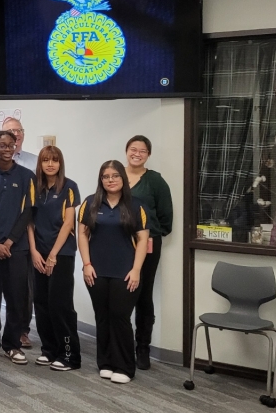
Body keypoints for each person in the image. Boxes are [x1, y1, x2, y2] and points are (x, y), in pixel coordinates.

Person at [78, 160, 150, 384]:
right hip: (96, 271)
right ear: (101, 180)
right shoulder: (90, 203)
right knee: (102, 317)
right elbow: (82, 234)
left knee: (120, 317)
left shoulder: (137, 206)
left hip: (125, 272)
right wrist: (86, 264)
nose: (111, 180)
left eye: (115, 176)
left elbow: (143, 239)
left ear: (123, 179)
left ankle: (125, 367)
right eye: (106, 176)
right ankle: (106, 362)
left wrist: (137, 270)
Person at [0, 130, 35, 366]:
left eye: (11, 145)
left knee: (16, 298)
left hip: (16, 248)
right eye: (2, 145)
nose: (7, 149)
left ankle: (12, 344)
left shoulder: (27, 176)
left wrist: (10, 241)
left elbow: (28, 212)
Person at [26, 145, 81, 371]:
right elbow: (29, 222)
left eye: (55, 160)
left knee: (60, 305)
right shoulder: (35, 188)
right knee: (41, 303)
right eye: (46, 160)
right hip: (39, 253)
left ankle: (69, 355)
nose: (50, 164)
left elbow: (69, 223)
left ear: (60, 163)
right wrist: (35, 252)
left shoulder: (69, 187)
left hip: (61, 254)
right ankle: (48, 350)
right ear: (40, 164)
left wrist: (52, 256)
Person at [124, 135, 173, 371]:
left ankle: (142, 347)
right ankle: (121, 345)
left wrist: (149, 235)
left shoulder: (155, 181)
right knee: (120, 293)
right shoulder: (115, 175)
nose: (137, 153)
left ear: (148, 155)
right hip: (118, 245)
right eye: (133, 149)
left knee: (143, 295)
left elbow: (165, 218)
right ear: (126, 151)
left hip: (149, 245)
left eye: (142, 151)